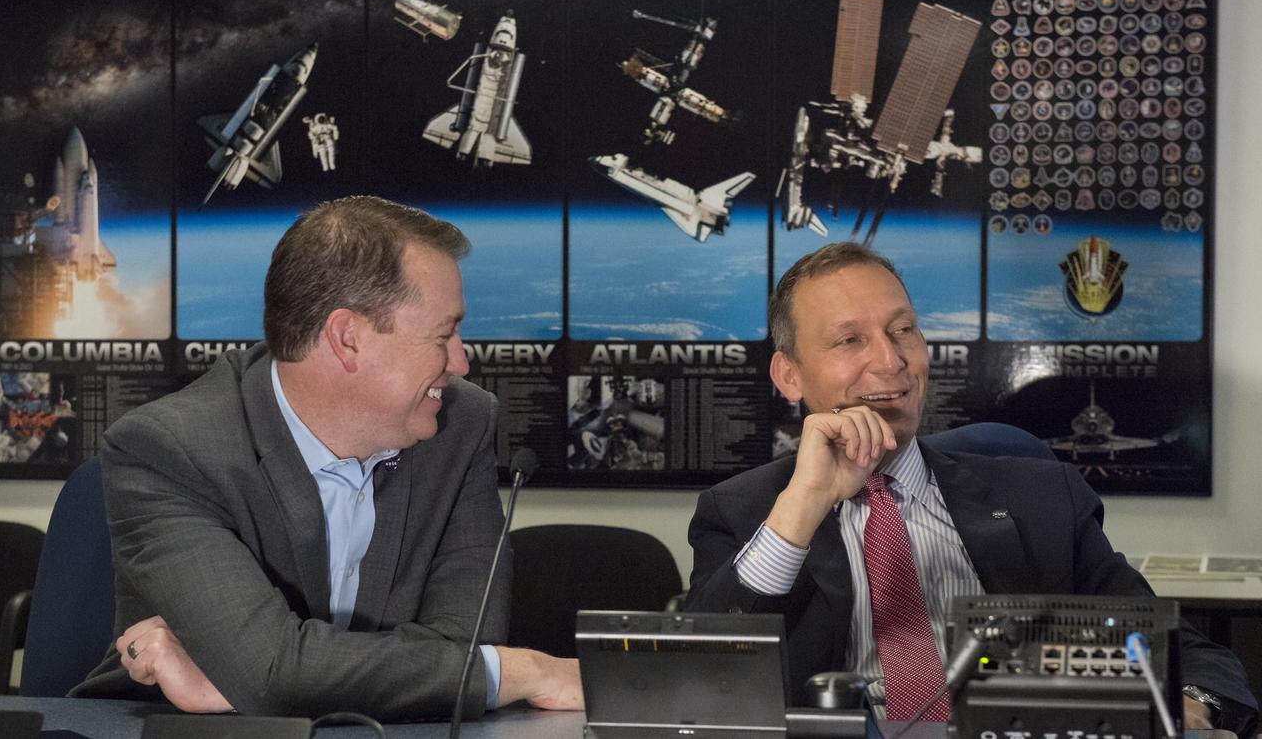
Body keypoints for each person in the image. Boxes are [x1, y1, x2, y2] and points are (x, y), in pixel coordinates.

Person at [685, 242, 1257, 735]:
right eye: (849, 340)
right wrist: (802, 507)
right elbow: (696, 677)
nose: (891, 360)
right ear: (789, 375)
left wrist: (1189, 705)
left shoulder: (1042, 498)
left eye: (902, 330)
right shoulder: (744, 512)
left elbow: (1186, 655)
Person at [72, 196, 582, 721]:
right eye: (443, 334)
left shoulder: (462, 424)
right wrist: (527, 671)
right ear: (348, 339)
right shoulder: (168, 449)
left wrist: (245, 685)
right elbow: (275, 671)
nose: (461, 361)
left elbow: (464, 645)